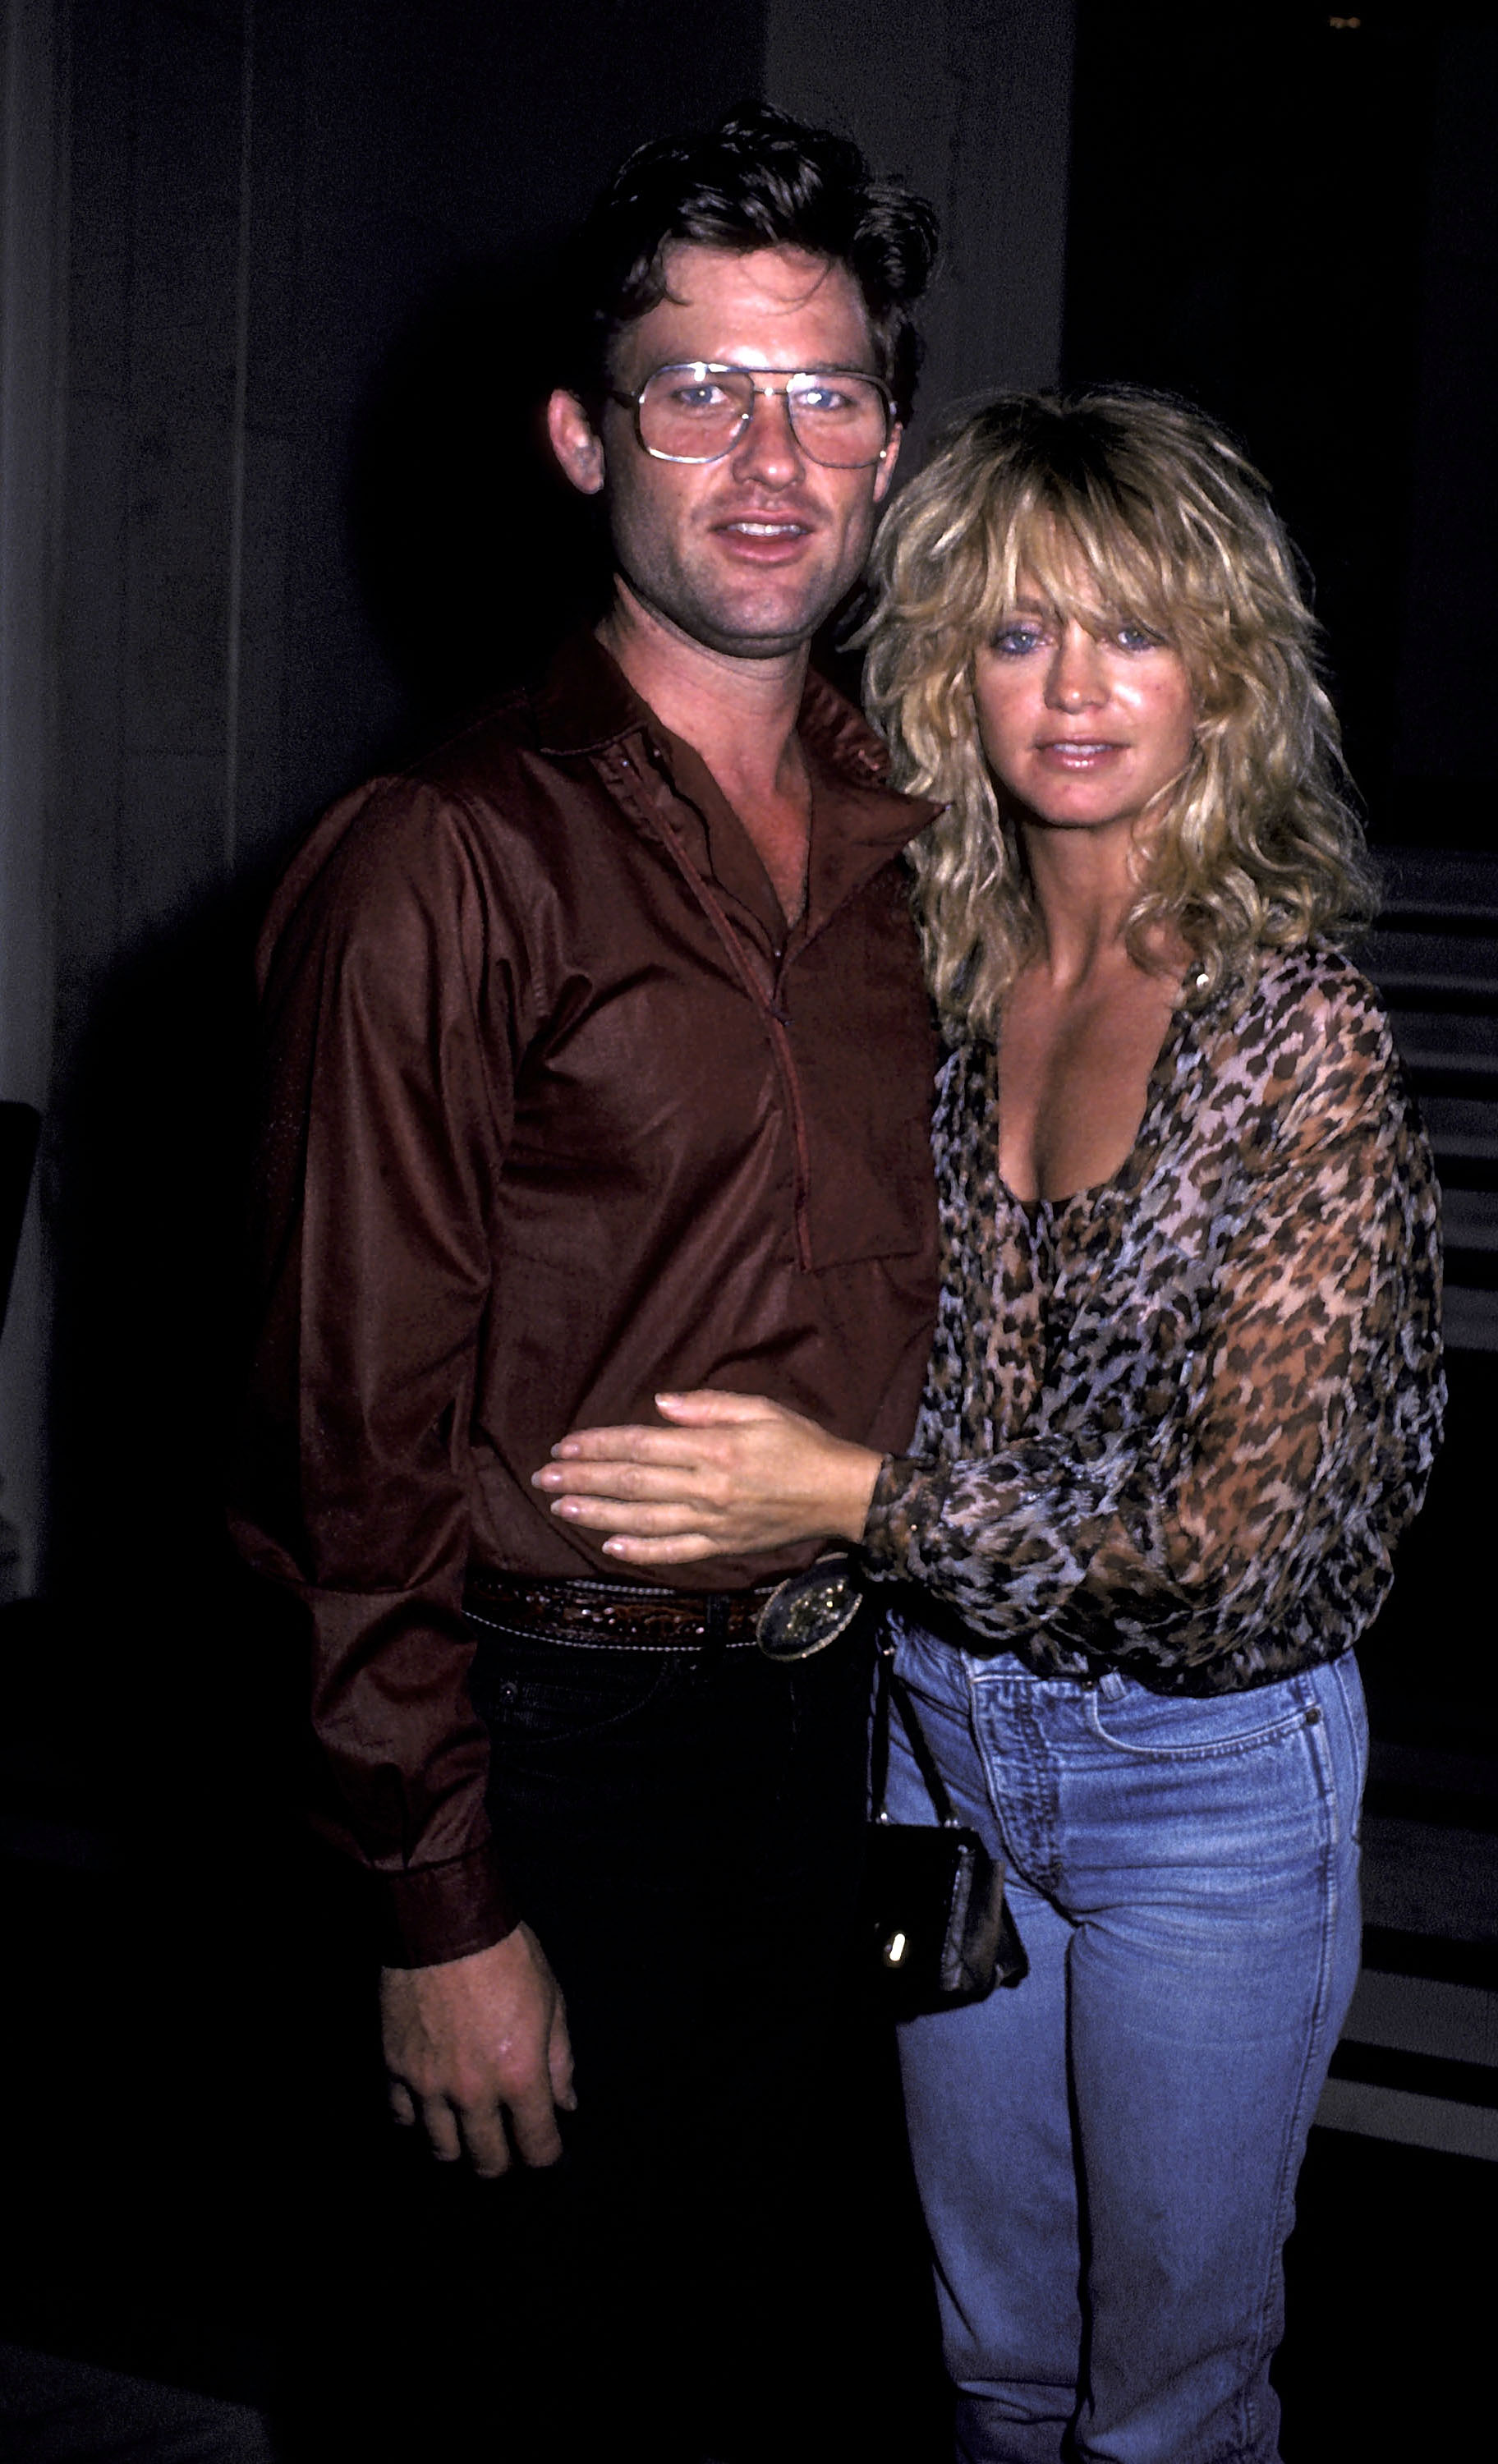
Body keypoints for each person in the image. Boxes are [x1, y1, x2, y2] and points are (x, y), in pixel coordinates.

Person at [537, 388, 1447, 2464]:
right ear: (947, 661)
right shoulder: (924, 969)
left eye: (1129, 628)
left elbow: (1249, 1560)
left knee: (1164, 2407)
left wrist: (854, 1498)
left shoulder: (1294, 1029)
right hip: (944, 1748)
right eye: (1017, 629)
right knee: (995, 2372)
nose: (1071, 686)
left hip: (1203, 1786)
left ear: (1219, 667)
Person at [232, 105, 941, 2462]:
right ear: (576, 437)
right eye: (696, 390)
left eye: (821, 392)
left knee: (760, 2383)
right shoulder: (441, 861)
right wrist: (434, 1907)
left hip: (825, 1742)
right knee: (502, 2395)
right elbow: (342, 1436)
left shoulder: (930, 851)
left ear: (889, 441)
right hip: (543, 1754)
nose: (766, 457)